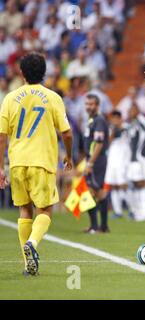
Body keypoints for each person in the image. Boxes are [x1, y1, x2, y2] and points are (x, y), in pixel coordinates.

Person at [0, 52, 73, 276]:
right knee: (45, 209)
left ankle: (27, 264)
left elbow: (2, 136)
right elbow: (67, 133)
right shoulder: (53, 98)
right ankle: (32, 242)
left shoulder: (10, 98)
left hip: (17, 162)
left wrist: (0, 167)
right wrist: (69, 156)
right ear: (44, 73)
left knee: (24, 209)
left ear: (21, 73)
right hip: (41, 161)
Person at [83, 93, 109, 233]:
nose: (89, 107)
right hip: (92, 159)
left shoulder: (99, 120)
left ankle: (98, 226)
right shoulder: (91, 120)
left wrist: (90, 163)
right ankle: (100, 226)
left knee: (92, 191)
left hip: (96, 161)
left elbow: (98, 144)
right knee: (95, 192)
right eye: (87, 104)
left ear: (97, 105)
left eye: (91, 104)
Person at [126, 104, 145, 222]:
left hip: (142, 157)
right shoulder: (131, 123)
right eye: (129, 110)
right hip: (133, 159)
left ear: (137, 110)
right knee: (134, 183)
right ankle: (138, 211)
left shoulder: (141, 120)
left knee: (142, 183)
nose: (129, 112)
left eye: (132, 110)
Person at [104, 110, 132, 218]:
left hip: (123, 161)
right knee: (114, 186)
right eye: (113, 119)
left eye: (116, 118)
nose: (114, 121)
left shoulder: (126, 128)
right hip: (112, 160)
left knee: (123, 185)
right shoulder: (111, 129)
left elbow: (128, 139)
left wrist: (118, 128)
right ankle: (118, 211)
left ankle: (132, 209)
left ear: (120, 118)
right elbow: (108, 143)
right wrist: (113, 131)